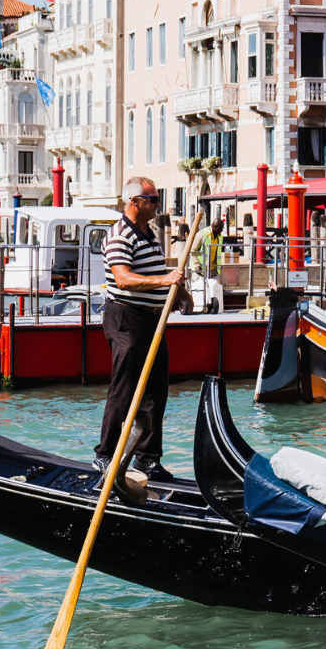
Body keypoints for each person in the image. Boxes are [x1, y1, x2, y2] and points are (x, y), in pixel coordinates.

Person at [95, 177, 191, 481]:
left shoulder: (148, 234)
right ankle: (105, 455)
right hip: (125, 319)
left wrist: (179, 293)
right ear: (135, 201)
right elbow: (123, 279)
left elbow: (155, 272)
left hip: (151, 320)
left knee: (156, 391)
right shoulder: (118, 236)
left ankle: (147, 460)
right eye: (153, 198)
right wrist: (164, 283)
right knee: (123, 390)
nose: (158, 204)